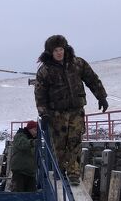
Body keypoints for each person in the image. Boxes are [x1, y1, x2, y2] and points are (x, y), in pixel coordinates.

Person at [34, 35, 108, 186]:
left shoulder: (77, 63)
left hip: (76, 110)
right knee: (59, 143)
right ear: (50, 52)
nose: (59, 52)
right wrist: (44, 113)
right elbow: (40, 94)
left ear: (65, 49)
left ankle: (73, 172)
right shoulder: (45, 71)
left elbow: (92, 79)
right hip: (57, 114)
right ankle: (59, 170)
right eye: (55, 50)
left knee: (75, 141)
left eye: (61, 49)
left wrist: (101, 96)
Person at [10, 120, 38, 192]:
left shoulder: (32, 138)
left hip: (30, 172)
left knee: (31, 195)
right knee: (18, 194)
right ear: (29, 129)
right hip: (20, 171)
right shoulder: (20, 135)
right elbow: (22, 144)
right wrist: (33, 142)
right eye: (35, 130)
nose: (36, 132)